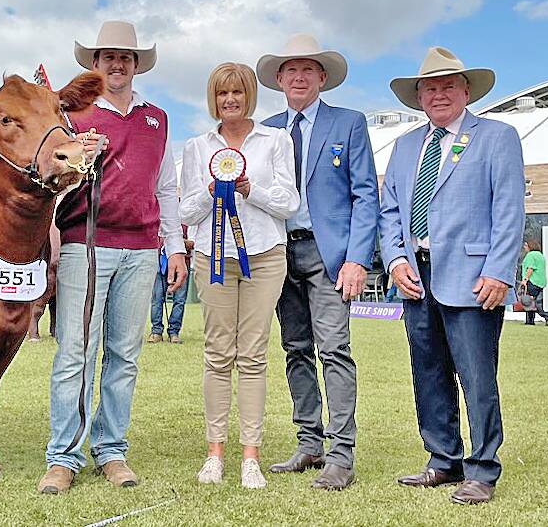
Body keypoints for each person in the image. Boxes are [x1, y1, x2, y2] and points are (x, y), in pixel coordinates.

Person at [39, 20, 187, 494]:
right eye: (108, 56)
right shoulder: (73, 115)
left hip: (142, 249)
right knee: (74, 353)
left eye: (126, 56)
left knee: (124, 355)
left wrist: (175, 246)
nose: (117, 63)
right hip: (87, 242)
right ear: (95, 64)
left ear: (137, 63)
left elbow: (165, 187)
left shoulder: (157, 118)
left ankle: (110, 449)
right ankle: (63, 456)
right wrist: (75, 157)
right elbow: (48, 181)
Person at [379, 46, 524, 505]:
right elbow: (389, 213)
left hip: (473, 276)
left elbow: (509, 210)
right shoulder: (404, 147)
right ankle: (443, 459)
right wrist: (396, 260)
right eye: (429, 87)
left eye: (447, 86)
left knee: (477, 376)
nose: (438, 94)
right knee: (428, 372)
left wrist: (500, 270)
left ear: (466, 91)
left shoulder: (497, 137)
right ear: (418, 96)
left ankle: (482, 469)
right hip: (415, 277)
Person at [257, 34, 379, 490]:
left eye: (309, 69)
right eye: (291, 70)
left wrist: (357, 258)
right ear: (279, 80)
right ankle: (309, 443)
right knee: (294, 349)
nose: (300, 76)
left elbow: (366, 193)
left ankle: (340, 455)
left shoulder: (348, 124)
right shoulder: (265, 130)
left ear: (322, 78)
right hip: (276, 253)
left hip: (329, 256)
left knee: (334, 350)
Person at [181, 62, 299, 488]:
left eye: (237, 92)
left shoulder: (276, 140)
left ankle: (251, 455)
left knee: (252, 355)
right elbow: (184, 211)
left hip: (265, 256)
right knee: (217, 355)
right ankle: (214, 452)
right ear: (213, 99)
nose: (229, 100)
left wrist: (252, 190)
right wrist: (210, 192)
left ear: (250, 95)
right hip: (212, 257)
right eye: (221, 94)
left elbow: (288, 202)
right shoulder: (197, 146)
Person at [148, 228, 192, 344]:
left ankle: (174, 332)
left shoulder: (188, 220)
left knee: (179, 300)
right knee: (156, 299)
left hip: (182, 266)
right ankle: (156, 332)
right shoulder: (160, 219)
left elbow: (193, 243)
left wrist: (177, 242)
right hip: (160, 263)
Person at [520, 238, 548, 325]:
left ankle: (546, 315)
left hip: (532, 282)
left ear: (530, 246)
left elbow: (530, 268)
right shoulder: (540, 255)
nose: (524, 247)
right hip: (541, 282)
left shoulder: (531, 255)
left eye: (526, 245)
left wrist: (525, 280)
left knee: (529, 302)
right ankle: (530, 321)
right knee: (534, 302)